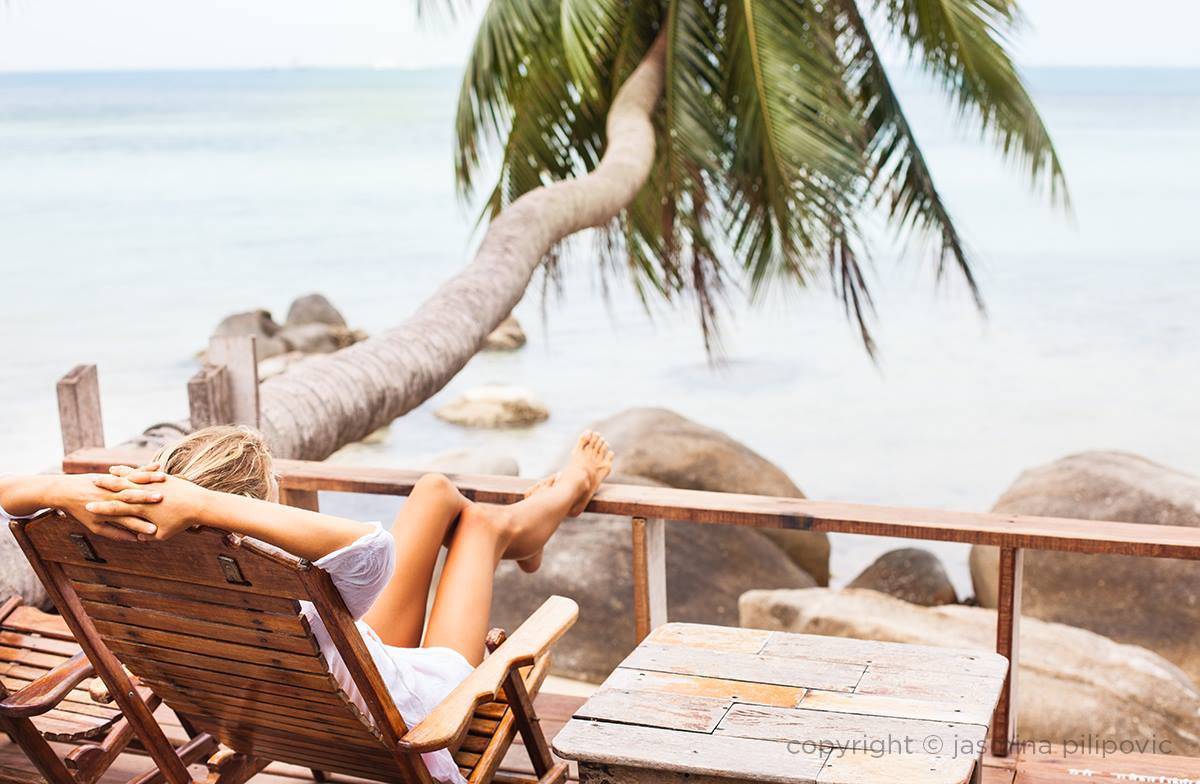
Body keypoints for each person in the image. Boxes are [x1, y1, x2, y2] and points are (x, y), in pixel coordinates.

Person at [0, 425, 613, 784]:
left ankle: (531, 528)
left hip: (323, 688)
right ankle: (560, 499)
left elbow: (10, 494)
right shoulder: (285, 584)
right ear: (253, 508)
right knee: (476, 525)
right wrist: (206, 505)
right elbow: (372, 546)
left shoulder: (129, 577)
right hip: (417, 715)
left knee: (433, 491)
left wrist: (72, 491)